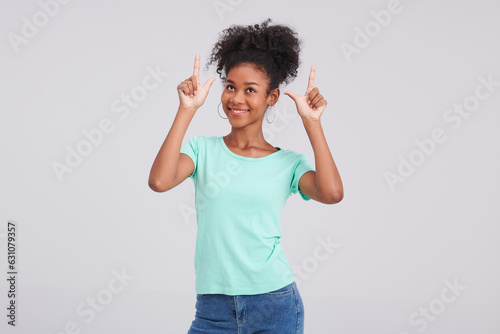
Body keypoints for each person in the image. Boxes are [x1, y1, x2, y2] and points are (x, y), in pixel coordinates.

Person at [148, 18, 343, 334]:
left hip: (275, 304)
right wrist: (186, 109)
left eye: (250, 90)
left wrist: (312, 123)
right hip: (213, 308)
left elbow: (332, 193)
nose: (236, 99)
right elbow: (159, 182)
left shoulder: (288, 164)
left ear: (272, 97)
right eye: (230, 87)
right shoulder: (202, 151)